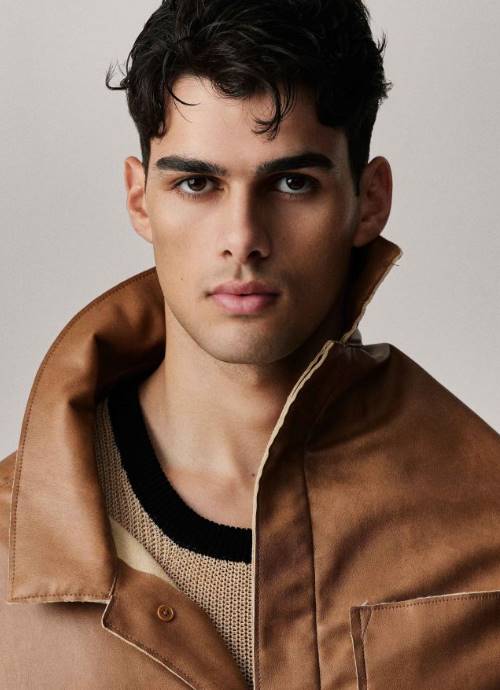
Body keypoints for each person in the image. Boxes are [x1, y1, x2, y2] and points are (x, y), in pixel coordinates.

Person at [1, 1, 499, 688]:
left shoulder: (485, 519)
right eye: (197, 183)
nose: (243, 238)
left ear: (370, 200)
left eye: (292, 183)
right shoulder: (9, 546)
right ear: (141, 199)